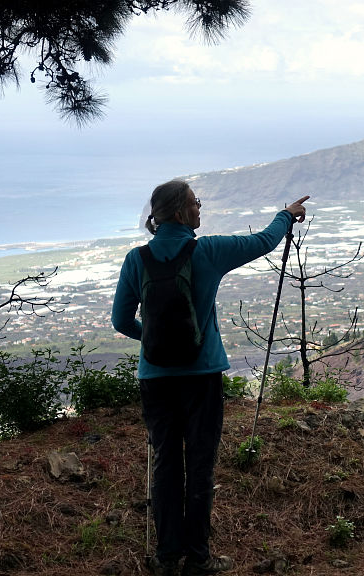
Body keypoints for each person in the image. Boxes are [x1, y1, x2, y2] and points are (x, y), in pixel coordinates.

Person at [112, 179, 308, 576]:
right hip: (201, 377)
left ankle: (167, 557)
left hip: (156, 378)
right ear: (182, 213)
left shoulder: (137, 259)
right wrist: (287, 215)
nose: (200, 208)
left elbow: (120, 321)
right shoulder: (209, 251)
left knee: (165, 463)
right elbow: (264, 241)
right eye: (196, 203)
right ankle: (198, 559)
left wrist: (150, 337)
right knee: (200, 464)